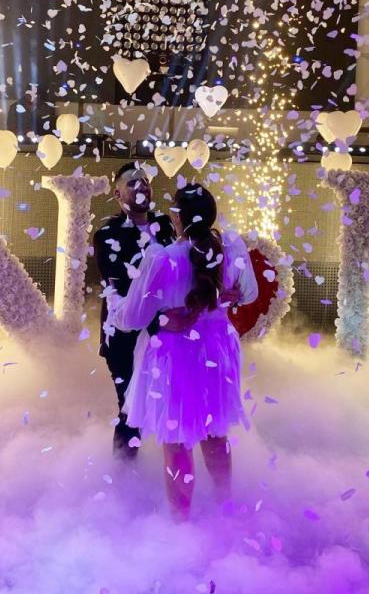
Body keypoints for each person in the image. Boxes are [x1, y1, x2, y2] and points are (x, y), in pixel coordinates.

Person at [108, 183, 258, 520]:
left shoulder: (162, 259)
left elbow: (132, 319)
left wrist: (115, 302)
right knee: (215, 433)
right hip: (217, 351)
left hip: (176, 355)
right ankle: (225, 508)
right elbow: (249, 294)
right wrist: (225, 295)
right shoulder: (231, 249)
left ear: (177, 217)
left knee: (176, 441)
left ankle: (181, 523)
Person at [93, 163, 176, 459]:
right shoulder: (107, 234)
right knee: (129, 407)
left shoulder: (166, 225)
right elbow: (121, 283)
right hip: (124, 333)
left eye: (145, 181)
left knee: (170, 402)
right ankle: (124, 471)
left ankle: (171, 468)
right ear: (118, 194)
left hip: (167, 332)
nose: (141, 186)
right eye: (132, 183)